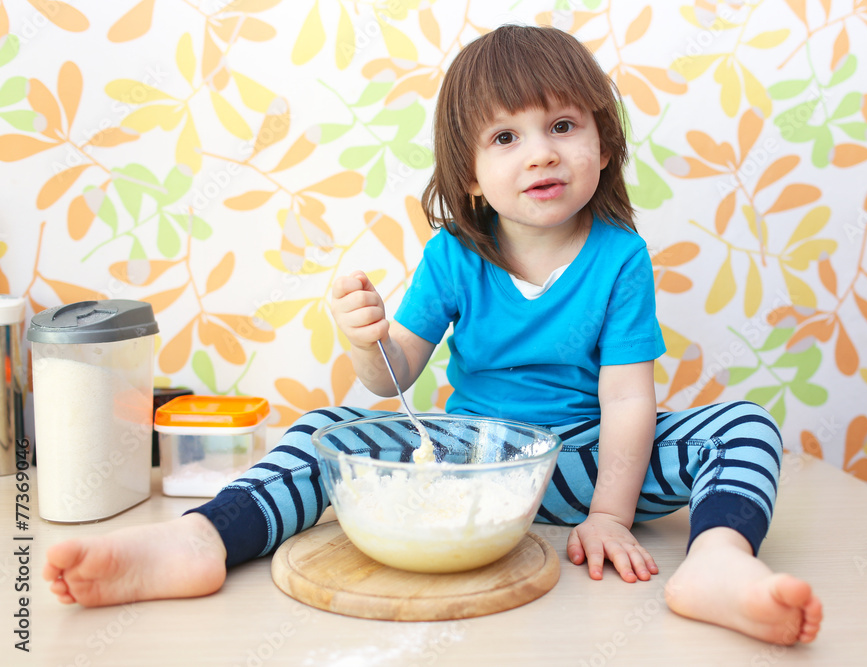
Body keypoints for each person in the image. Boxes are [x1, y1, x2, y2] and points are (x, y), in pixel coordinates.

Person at [43, 24, 822, 645]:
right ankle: (202, 540)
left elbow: (626, 398)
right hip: (466, 461)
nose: (541, 152)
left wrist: (611, 516)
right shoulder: (455, 254)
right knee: (325, 430)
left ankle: (717, 558)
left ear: (604, 145)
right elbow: (394, 378)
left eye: (562, 125)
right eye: (505, 138)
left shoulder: (620, 257)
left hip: (585, 467)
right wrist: (365, 340)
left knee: (745, 424)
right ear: (472, 175)